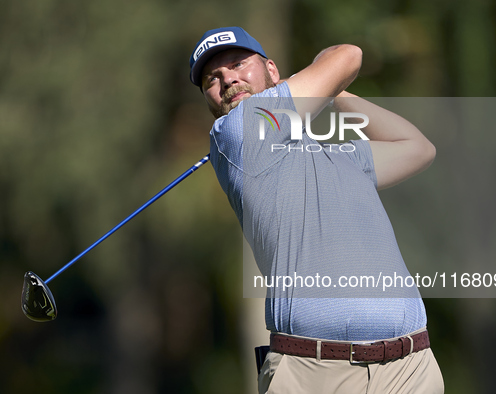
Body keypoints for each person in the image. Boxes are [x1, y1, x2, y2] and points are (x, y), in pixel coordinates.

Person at [189, 26, 444, 393]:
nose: (228, 79)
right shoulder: (237, 131)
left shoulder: (338, 155)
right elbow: (348, 55)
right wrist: (316, 85)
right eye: (213, 79)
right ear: (210, 101)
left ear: (272, 71)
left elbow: (418, 149)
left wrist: (333, 92)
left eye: (238, 64)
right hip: (314, 372)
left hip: (410, 369)